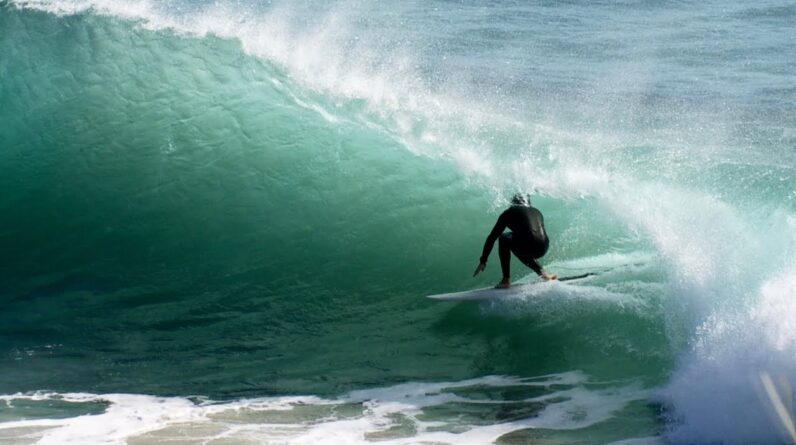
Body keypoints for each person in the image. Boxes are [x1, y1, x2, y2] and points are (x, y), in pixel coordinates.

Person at [473, 193, 557, 288]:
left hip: (528, 245)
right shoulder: (536, 211)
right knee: (520, 246)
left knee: (504, 238)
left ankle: (506, 280)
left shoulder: (509, 212)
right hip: (543, 247)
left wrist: (483, 260)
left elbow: (492, 237)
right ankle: (543, 274)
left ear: (513, 203)